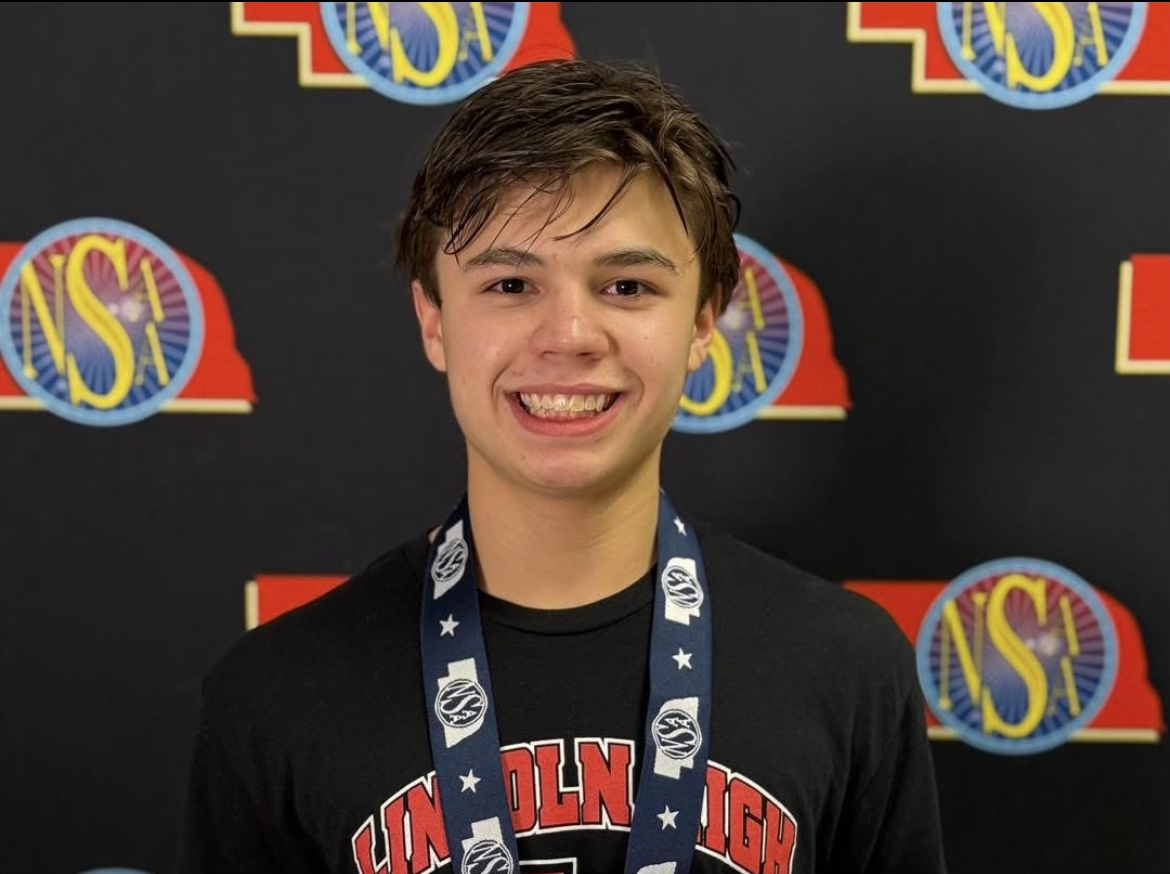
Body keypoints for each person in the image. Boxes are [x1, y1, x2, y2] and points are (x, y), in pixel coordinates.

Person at [177, 58, 946, 874]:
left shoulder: (847, 668)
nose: (570, 335)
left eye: (626, 285)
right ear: (434, 320)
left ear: (702, 322)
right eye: (511, 283)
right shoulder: (276, 696)